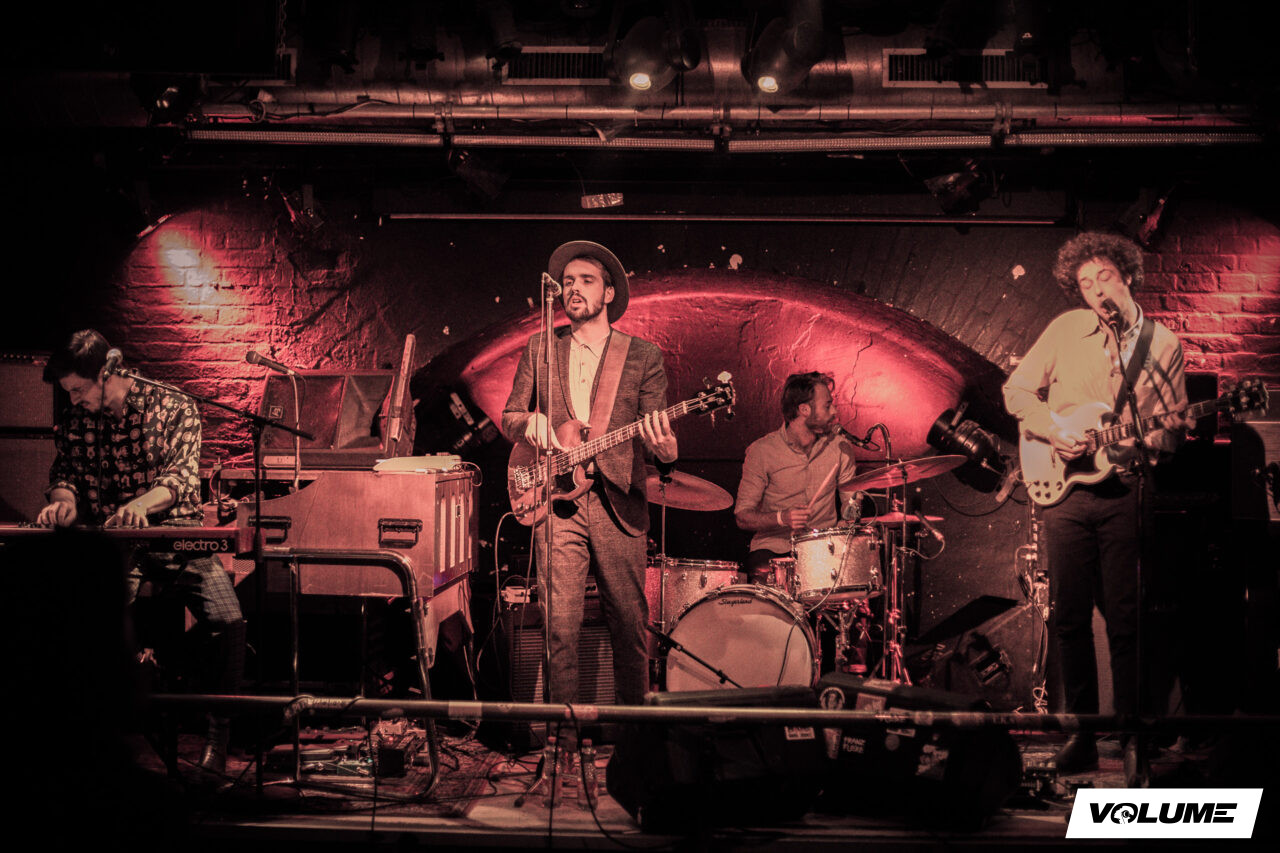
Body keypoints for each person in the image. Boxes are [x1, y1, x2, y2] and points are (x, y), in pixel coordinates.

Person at [1003, 232, 1187, 784]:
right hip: (1066, 491)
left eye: (1104, 276)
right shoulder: (1065, 330)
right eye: (1085, 283)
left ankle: (1132, 736)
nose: (1096, 289)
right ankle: (1081, 733)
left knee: (1128, 619)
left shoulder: (1163, 345)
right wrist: (1051, 430)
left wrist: (1144, 440)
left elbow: (1173, 431)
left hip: (1125, 491)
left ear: (1126, 275)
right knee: (1069, 617)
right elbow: (1017, 391)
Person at [38, 329, 245, 774]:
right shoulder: (77, 419)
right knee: (81, 621)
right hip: (113, 544)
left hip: (176, 536)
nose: (74, 400)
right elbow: (65, 474)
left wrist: (140, 505)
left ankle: (218, 737)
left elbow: (181, 478)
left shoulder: (174, 406)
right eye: (69, 392)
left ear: (107, 371)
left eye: (79, 389)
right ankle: (89, 739)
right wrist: (63, 503)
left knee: (228, 620)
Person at [502, 241, 677, 756]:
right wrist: (533, 425)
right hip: (556, 499)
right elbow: (510, 416)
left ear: (609, 292)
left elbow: (656, 434)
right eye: (567, 282)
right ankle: (563, 740)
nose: (573, 288)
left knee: (629, 624)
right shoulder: (541, 347)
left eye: (585, 280)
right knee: (559, 624)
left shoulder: (641, 355)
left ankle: (634, 744)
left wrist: (666, 451)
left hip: (617, 498)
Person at [734, 371, 860, 582]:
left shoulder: (841, 447)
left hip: (823, 548)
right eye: (827, 406)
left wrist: (846, 523)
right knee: (763, 572)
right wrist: (781, 518)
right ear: (804, 410)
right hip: (774, 548)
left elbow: (853, 502)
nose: (834, 411)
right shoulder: (762, 451)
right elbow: (742, 516)